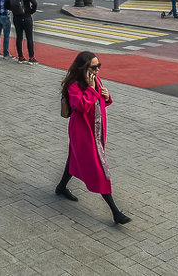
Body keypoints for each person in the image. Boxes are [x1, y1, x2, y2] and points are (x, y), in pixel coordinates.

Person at [55, 51, 131, 225]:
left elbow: (102, 103)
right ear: (83, 67)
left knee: (73, 160)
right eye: (94, 67)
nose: (97, 70)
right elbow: (81, 106)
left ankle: (60, 187)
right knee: (99, 168)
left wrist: (107, 96)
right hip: (82, 132)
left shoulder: (95, 81)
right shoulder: (74, 85)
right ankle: (115, 212)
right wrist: (90, 89)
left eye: (99, 66)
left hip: (96, 131)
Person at [7, 0, 39, 64]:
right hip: (27, 17)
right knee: (29, 38)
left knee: (19, 37)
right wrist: (31, 11)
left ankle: (20, 57)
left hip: (16, 18)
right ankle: (31, 58)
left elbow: (6, 4)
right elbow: (35, 4)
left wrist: (14, 10)